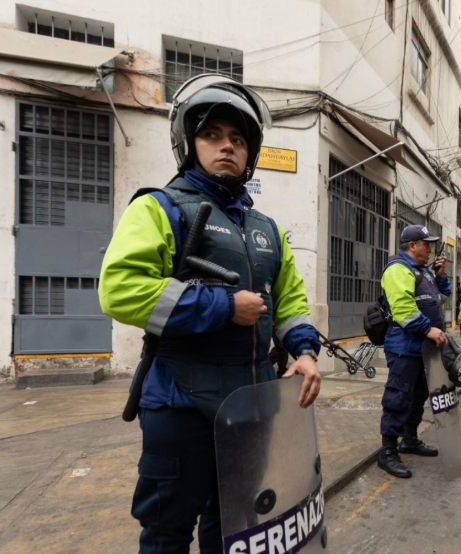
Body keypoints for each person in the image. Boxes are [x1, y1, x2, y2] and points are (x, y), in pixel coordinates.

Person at [98, 75, 321, 553]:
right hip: (180, 404)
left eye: (238, 139)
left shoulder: (268, 230)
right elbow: (120, 290)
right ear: (188, 143)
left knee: (238, 526)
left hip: (249, 404)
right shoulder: (160, 208)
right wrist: (222, 307)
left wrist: (303, 350)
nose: (227, 147)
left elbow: (290, 300)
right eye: (213, 135)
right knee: (167, 533)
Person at [377, 224, 450, 479]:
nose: (429, 249)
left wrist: (440, 276)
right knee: (398, 398)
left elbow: (441, 299)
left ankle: (409, 439)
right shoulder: (398, 268)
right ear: (412, 246)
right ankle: (387, 452)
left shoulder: (423, 272)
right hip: (404, 347)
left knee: (418, 396)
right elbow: (403, 309)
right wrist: (428, 329)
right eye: (426, 244)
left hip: (422, 349)